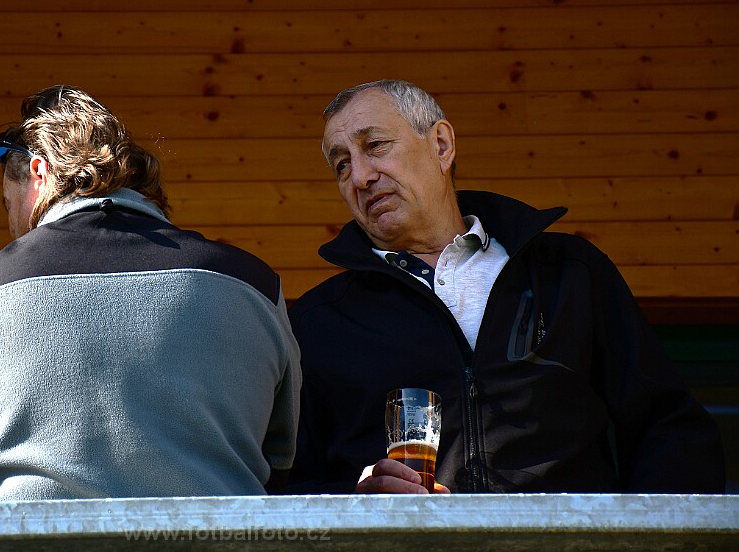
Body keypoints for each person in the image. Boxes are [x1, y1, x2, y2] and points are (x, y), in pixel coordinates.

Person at [287, 79, 724, 494]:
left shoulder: (568, 273)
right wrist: (352, 501)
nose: (360, 177)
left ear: (441, 145)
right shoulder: (318, 322)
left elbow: (668, 428)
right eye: (342, 165)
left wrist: (646, 534)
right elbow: (284, 484)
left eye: (375, 146)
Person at [0, 85, 301, 501]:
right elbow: (282, 458)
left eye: (7, 205)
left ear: (39, 173)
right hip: (216, 534)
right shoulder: (254, 283)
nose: (13, 227)